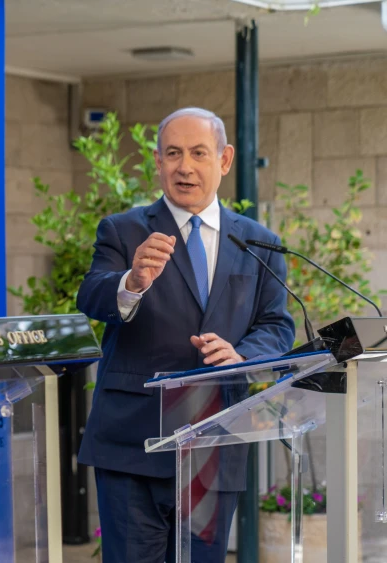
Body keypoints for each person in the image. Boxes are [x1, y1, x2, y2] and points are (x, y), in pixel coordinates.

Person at [76, 107, 295, 563]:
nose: (184, 166)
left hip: (214, 442)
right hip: (132, 445)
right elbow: (92, 297)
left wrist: (242, 355)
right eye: (173, 154)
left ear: (225, 159)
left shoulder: (258, 242)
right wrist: (132, 282)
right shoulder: (123, 230)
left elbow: (277, 325)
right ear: (158, 161)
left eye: (198, 153)